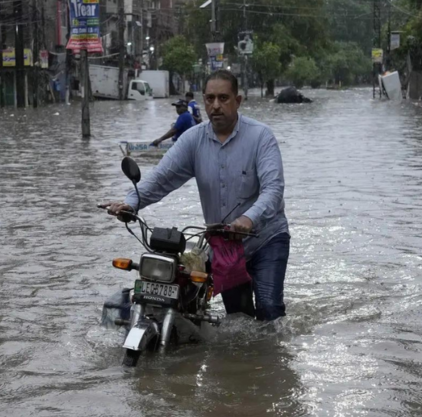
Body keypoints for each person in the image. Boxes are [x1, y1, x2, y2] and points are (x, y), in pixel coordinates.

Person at [106, 71, 290, 322]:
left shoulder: (261, 137)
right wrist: (131, 202)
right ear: (203, 101)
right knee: (239, 320)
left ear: (238, 101)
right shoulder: (193, 140)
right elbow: (162, 178)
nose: (216, 105)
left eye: (224, 98)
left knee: (269, 309)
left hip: (266, 238)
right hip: (226, 246)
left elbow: (273, 190)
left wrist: (248, 219)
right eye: (210, 98)